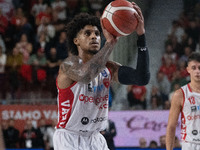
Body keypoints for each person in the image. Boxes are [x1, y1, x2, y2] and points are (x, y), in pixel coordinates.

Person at [53, 2, 150, 150]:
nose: (94, 37)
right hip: (69, 137)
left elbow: (141, 78)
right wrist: (110, 44)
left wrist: (141, 35)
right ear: (76, 40)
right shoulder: (68, 66)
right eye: (88, 33)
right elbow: (86, 75)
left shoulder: (108, 68)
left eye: (97, 34)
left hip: (96, 138)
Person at [166, 52, 200, 150]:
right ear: (188, 70)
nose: (197, 71)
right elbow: (171, 127)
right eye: (194, 68)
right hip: (189, 145)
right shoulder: (180, 94)